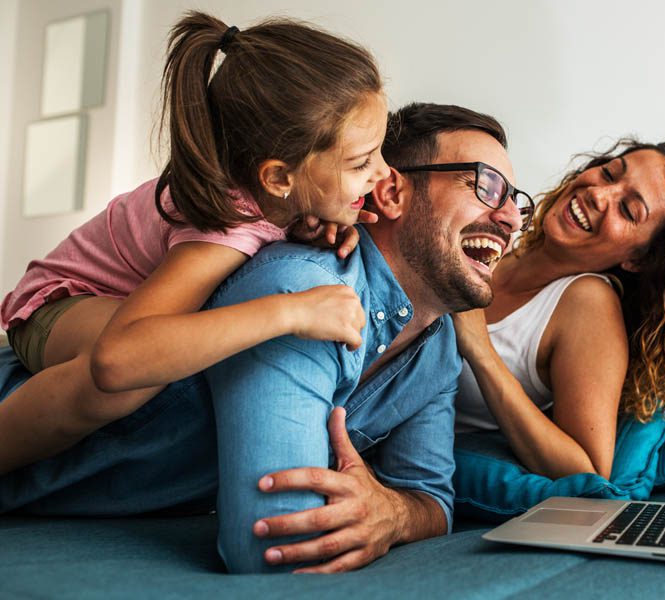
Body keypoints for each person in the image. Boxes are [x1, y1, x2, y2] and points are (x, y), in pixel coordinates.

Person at [0, 102, 530, 574]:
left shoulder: (436, 349)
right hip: (47, 355)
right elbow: (273, 541)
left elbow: (433, 500)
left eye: (518, 202)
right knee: (115, 365)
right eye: (485, 185)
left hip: (100, 492)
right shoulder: (300, 288)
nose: (509, 217)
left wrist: (393, 513)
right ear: (391, 190)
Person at [0, 12, 391, 476]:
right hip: (58, 303)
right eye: (362, 162)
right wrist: (294, 312)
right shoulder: (225, 228)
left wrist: (311, 221)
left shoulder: (277, 198)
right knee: (132, 379)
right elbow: (116, 359)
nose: (384, 173)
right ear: (279, 178)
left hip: (122, 298)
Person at [453, 139, 665, 480]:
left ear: (638, 258)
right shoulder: (501, 235)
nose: (599, 194)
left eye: (628, 210)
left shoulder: (587, 303)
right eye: (609, 174)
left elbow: (590, 470)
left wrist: (481, 351)